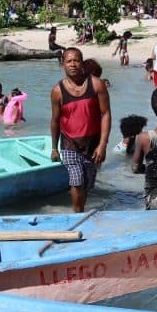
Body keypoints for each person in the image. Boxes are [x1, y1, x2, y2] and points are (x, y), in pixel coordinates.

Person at [49, 47, 111, 212]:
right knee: (76, 181)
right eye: (68, 61)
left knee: (88, 184)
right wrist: (54, 148)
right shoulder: (57, 92)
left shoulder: (96, 85)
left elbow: (105, 114)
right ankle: (78, 215)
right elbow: (55, 120)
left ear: (82, 63)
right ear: (63, 64)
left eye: (76, 60)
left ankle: (81, 209)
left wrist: (103, 144)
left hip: (93, 143)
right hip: (69, 143)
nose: (73, 64)